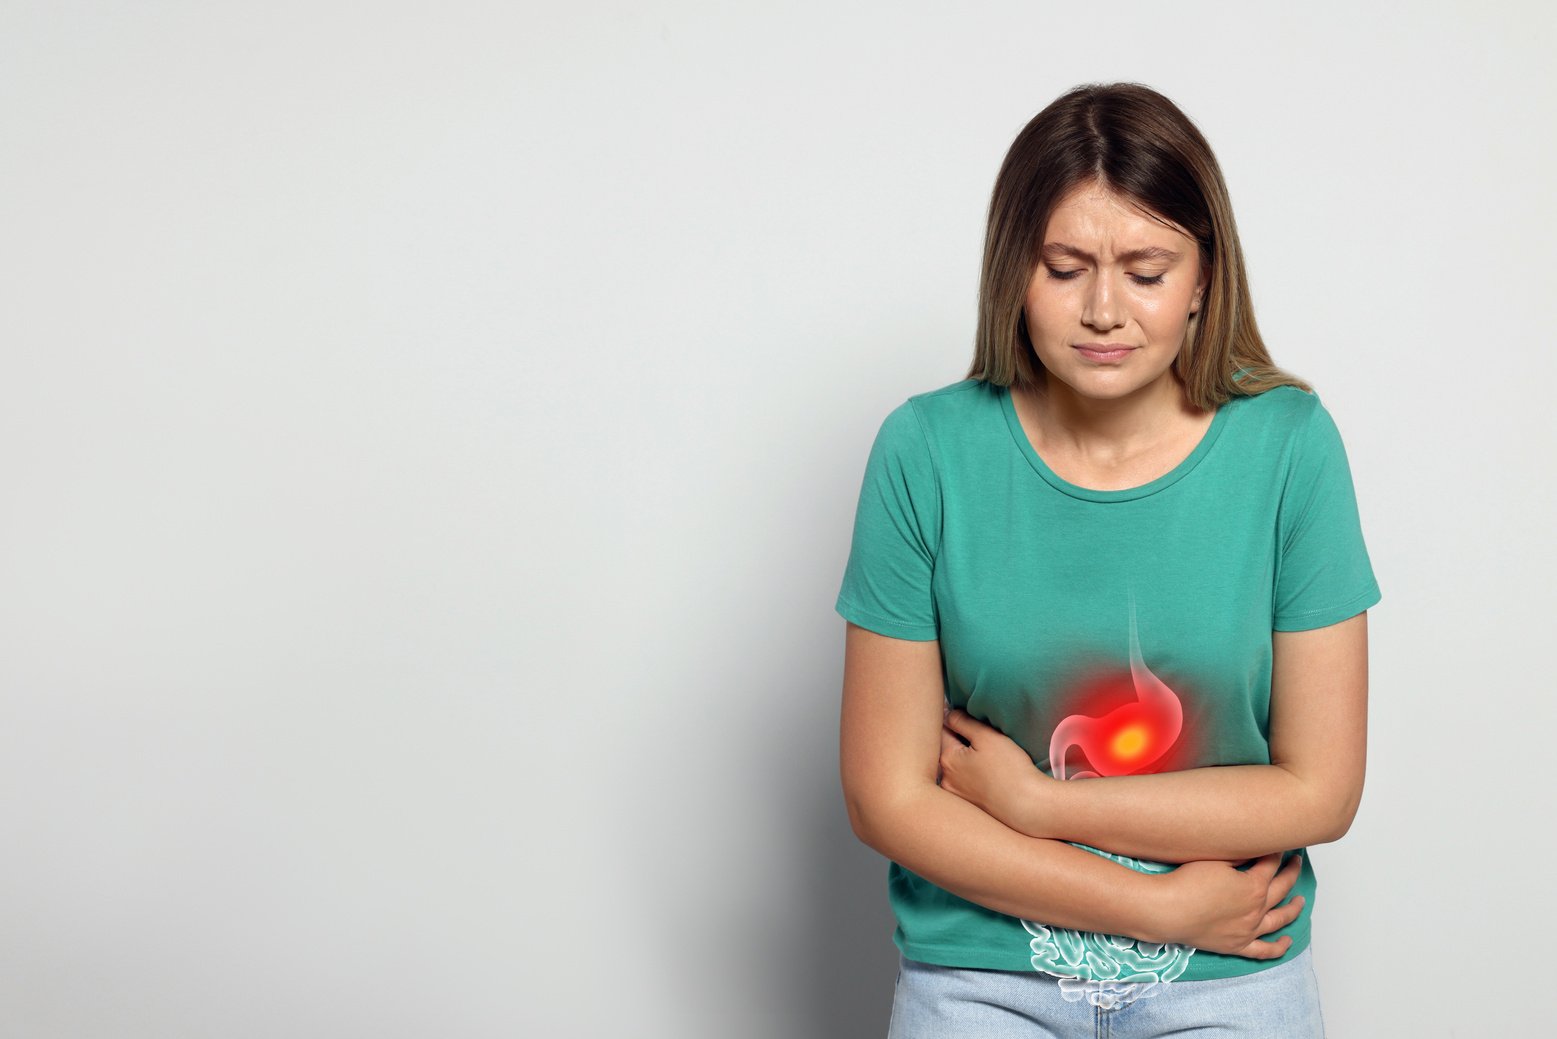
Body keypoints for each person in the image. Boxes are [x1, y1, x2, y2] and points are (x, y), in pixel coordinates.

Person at [835, 82, 1380, 1039]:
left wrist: (1042, 804)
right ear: (1014, 272)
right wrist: (1152, 906)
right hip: (982, 976)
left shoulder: (1289, 447)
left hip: (1229, 975)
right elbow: (886, 796)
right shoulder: (925, 451)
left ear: (1204, 278)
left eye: (1146, 269)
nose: (1102, 309)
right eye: (1063, 266)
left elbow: (1318, 789)